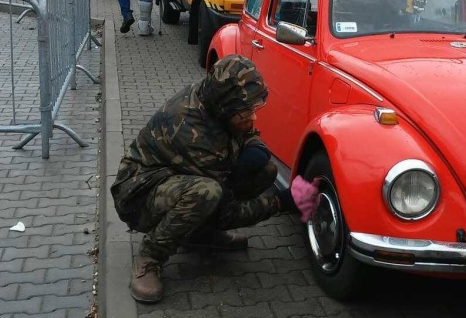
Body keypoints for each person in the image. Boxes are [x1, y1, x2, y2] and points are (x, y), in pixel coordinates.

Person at [110, 55, 321, 303]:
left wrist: (256, 150)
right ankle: (150, 256)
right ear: (225, 108)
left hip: (176, 175)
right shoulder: (191, 130)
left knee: (266, 170)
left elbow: (249, 135)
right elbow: (226, 212)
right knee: (206, 194)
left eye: (253, 110)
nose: (252, 118)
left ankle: (200, 235)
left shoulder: (219, 101)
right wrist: (282, 203)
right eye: (245, 113)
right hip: (139, 193)